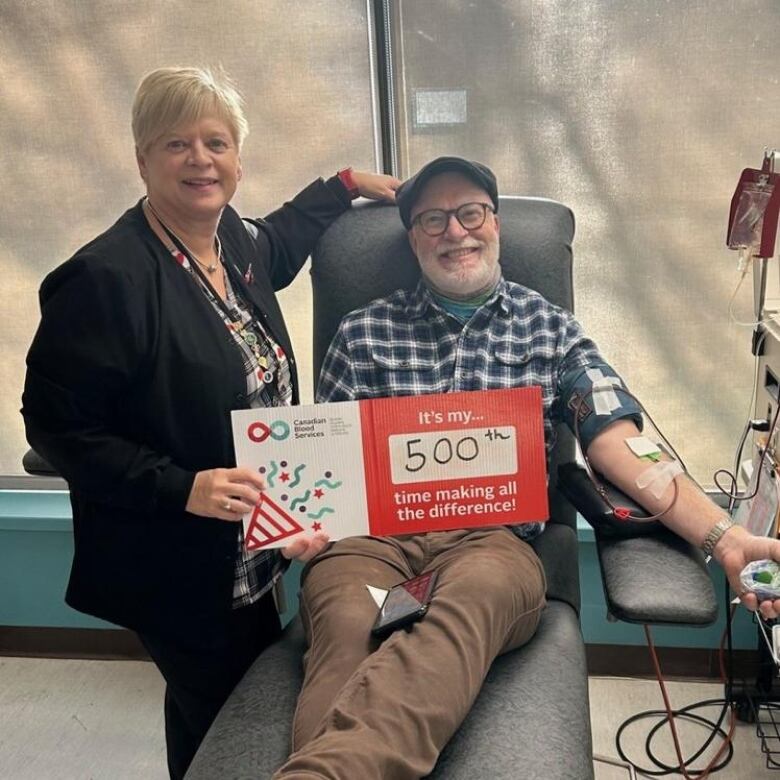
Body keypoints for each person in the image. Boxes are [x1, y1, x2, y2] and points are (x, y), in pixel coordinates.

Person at [273, 156, 780, 780]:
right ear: (412, 239)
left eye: (470, 213)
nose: (454, 232)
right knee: (349, 624)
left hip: (491, 546)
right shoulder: (362, 334)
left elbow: (620, 444)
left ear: (495, 225)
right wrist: (298, 519)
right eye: (433, 220)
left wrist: (723, 538)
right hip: (371, 544)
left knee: (471, 603)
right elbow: (327, 465)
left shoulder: (551, 330)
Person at [21, 65, 399, 780]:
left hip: (252, 545)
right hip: (178, 557)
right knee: (238, 720)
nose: (201, 160)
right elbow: (55, 429)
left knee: (205, 710)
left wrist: (346, 185)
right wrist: (180, 487)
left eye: (216, 143)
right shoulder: (105, 279)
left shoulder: (236, 245)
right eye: (176, 144)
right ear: (141, 158)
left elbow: (285, 237)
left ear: (237, 159)